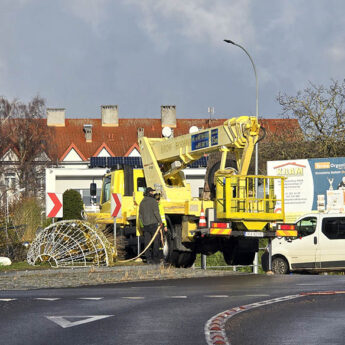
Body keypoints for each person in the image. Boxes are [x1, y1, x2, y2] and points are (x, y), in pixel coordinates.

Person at [139, 187, 162, 264]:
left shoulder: (142, 202)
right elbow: (156, 213)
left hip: (145, 226)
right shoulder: (153, 201)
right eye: (152, 192)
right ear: (149, 193)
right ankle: (155, 258)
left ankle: (148, 259)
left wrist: (142, 226)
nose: (153, 193)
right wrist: (161, 222)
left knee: (147, 242)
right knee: (156, 241)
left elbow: (140, 216)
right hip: (153, 225)